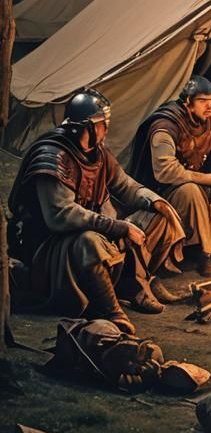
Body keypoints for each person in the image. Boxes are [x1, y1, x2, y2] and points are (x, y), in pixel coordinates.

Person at [8, 89, 187, 334]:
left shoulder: (97, 153)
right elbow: (61, 215)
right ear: (87, 128)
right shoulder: (53, 157)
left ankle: (131, 286)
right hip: (51, 250)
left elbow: (124, 185)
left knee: (158, 217)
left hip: (92, 231)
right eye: (103, 124)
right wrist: (119, 227)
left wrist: (155, 202)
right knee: (89, 242)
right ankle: (110, 310)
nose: (106, 129)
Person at [128, 76, 211, 278]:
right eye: (202, 101)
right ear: (188, 103)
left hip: (199, 181)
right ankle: (201, 252)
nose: (209, 108)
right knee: (190, 192)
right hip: (164, 191)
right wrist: (210, 179)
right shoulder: (165, 126)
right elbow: (166, 171)